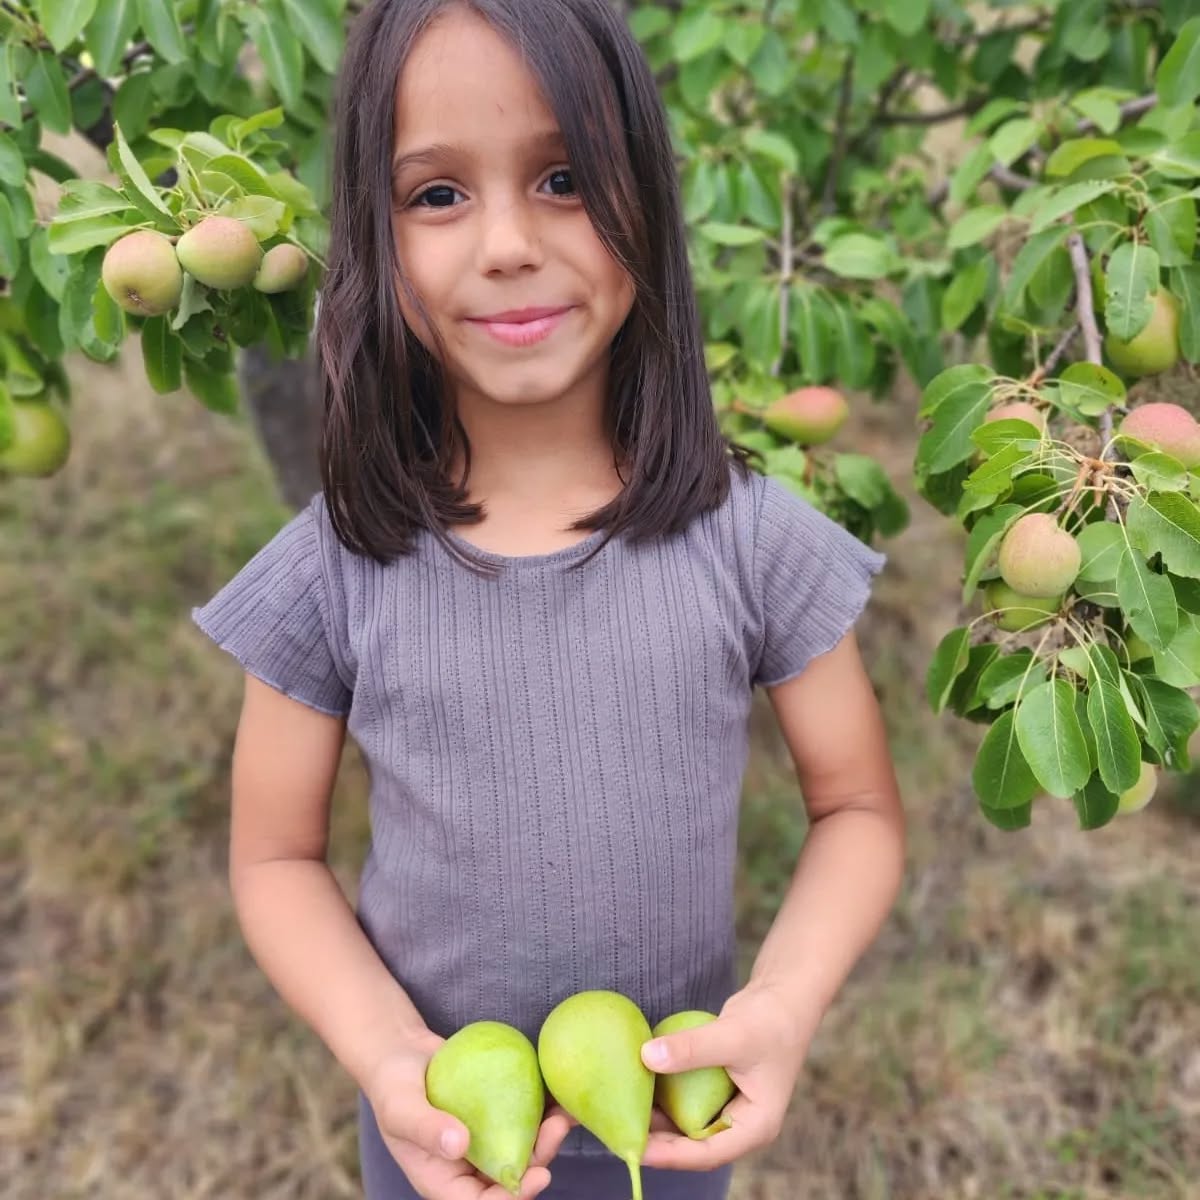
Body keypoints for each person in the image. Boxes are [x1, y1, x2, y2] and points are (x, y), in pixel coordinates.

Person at [190, 1, 906, 1197]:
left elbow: (858, 811)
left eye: (565, 176)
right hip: (437, 1132)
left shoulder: (746, 537)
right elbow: (274, 857)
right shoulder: (341, 561)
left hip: (675, 1121)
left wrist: (778, 1008)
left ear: (650, 205)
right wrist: (385, 1054)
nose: (509, 242)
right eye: (438, 194)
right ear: (373, 237)